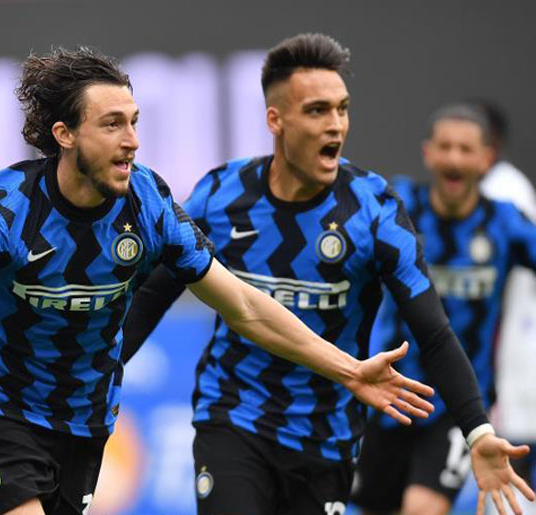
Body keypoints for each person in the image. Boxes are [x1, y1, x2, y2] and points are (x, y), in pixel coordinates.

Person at [0, 47, 435, 515]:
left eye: (134, 122)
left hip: (84, 422)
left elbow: (244, 305)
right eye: (112, 124)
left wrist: (347, 369)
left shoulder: (150, 206)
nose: (132, 141)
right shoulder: (8, 209)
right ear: (64, 135)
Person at [121, 35, 534, 515]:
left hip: (328, 433)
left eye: (342, 109)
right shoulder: (221, 194)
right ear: (275, 120)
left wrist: (478, 430)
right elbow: (154, 293)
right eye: (317, 111)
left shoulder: (374, 209)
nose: (335, 124)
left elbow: (434, 331)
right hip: (234, 415)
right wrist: (101, 374)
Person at [351, 103, 536, 515]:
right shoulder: (398, 211)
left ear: (486, 158)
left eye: (465, 149)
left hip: (459, 406)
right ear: (428, 153)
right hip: (391, 394)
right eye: (445, 147)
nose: (454, 159)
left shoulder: (504, 223)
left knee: (422, 509)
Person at [473, 100, 536, 515]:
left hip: (515, 352)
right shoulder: (507, 185)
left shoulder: (501, 193)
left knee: (512, 464)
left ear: (490, 145)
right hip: (511, 355)